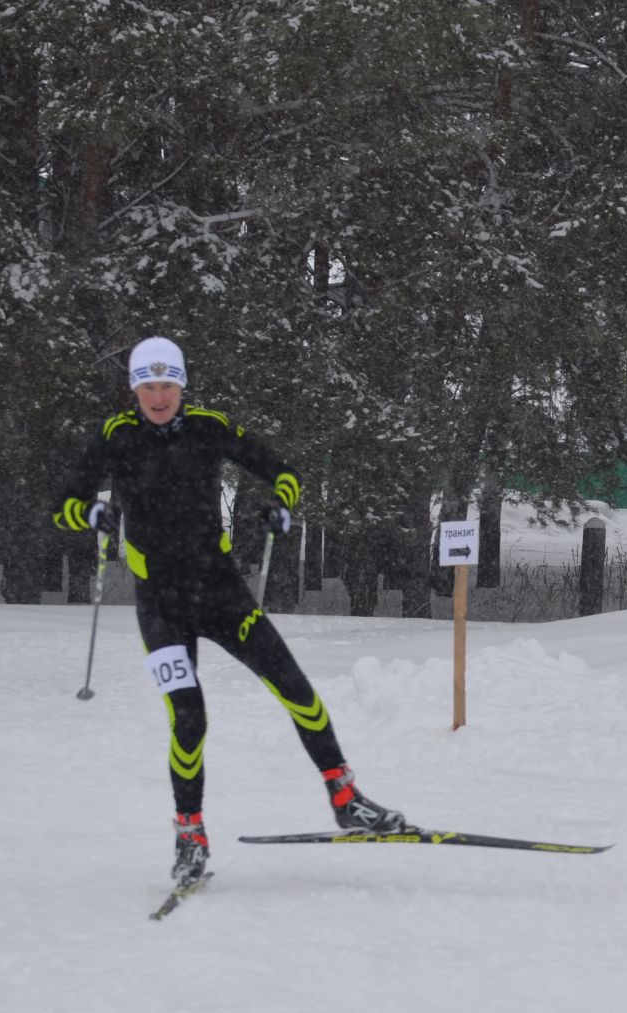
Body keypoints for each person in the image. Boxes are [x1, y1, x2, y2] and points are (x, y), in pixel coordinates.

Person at [52, 336, 403, 887]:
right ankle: (189, 835)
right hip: (160, 606)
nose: (159, 395)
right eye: (148, 385)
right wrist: (90, 514)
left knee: (297, 691)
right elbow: (63, 506)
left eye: (168, 384)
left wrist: (280, 507)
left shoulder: (208, 426)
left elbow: (282, 472)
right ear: (135, 389)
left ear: (183, 386)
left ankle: (344, 795)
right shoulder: (116, 436)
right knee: (189, 720)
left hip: (221, 593)